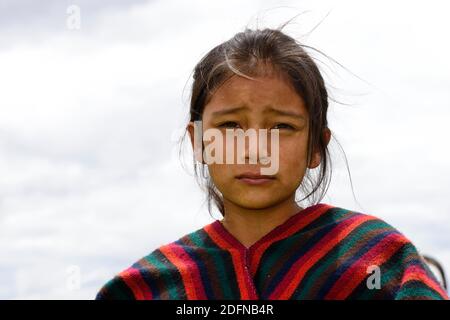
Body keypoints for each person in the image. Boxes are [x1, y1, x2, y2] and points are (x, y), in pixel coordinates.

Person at [95, 27, 449, 300]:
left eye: (282, 127)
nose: (255, 150)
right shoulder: (149, 287)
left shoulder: (377, 262)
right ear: (199, 142)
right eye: (230, 126)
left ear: (315, 147)